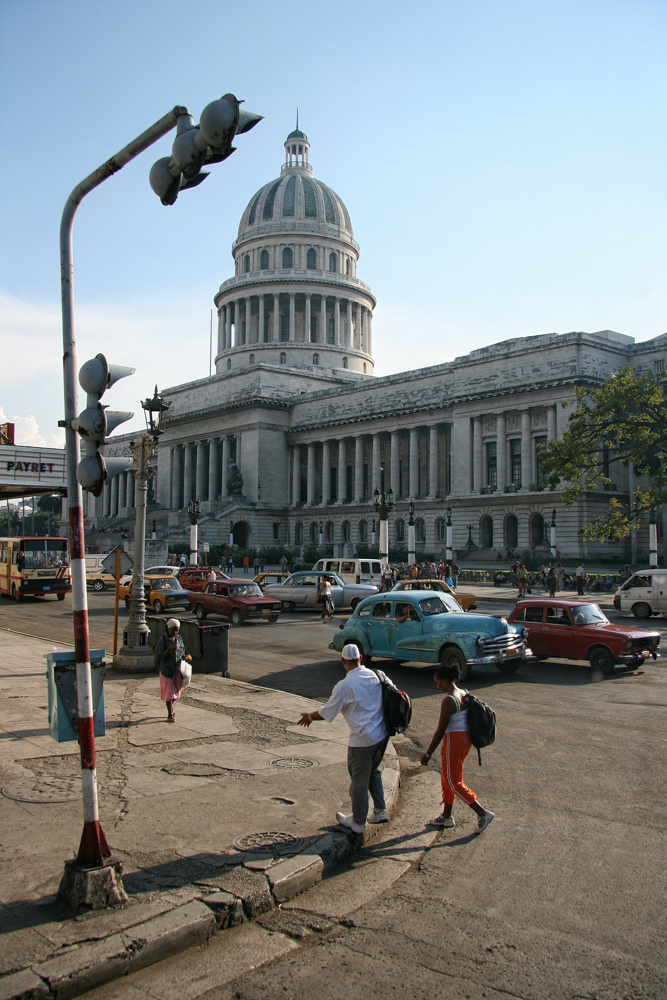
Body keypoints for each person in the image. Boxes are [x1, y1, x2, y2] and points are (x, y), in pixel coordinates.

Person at [297, 643, 389, 834]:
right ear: (360, 658)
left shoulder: (345, 685)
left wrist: (310, 717)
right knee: (373, 771)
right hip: (381, 736)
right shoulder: (375, 675)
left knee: (359, 781)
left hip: (362, 740)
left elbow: (328, 711)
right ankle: (379, 811)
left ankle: (357, 822)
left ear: (343, 661)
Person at [420, 663, 494, 833]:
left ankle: (483, 814)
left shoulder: (448, 700)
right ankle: (446, 817)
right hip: (465, 739)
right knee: (447, 777)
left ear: (445, 681)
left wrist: (428, 753)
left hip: (454, 739)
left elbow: (440, 730)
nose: (437, 686)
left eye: (437, 682)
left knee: (453, 782)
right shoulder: (463, 692)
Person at [155, 619, 190, 723]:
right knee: (169, 693)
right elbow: (159, 655)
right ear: (168, 629)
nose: (175, 632)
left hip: (177, 669)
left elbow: (182, 651)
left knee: (177, 691)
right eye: (173, 630)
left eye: (177, 630)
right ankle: (170, 714)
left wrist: (185, 657)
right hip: (167, 670)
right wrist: (169, 650)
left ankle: (170, 707)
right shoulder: (163, 640)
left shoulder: (179, 639)